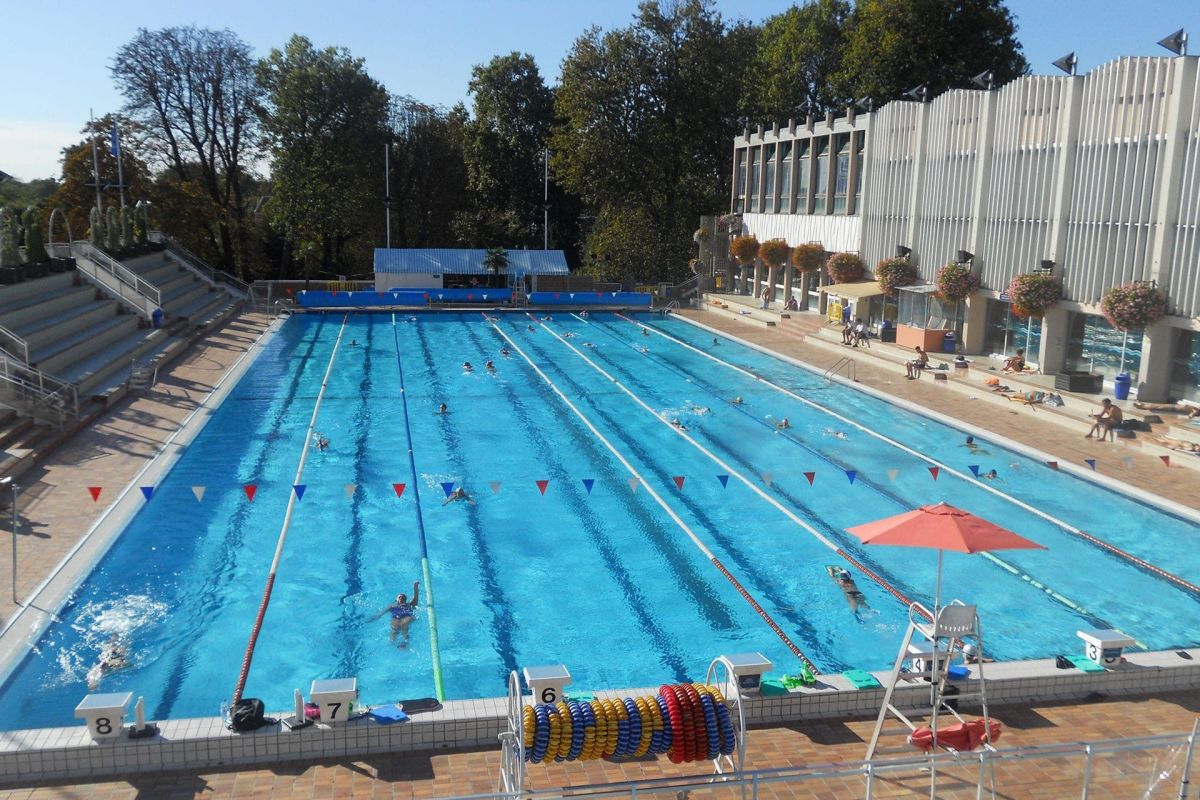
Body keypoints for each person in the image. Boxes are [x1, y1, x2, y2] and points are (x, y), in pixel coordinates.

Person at [373, 582, 420, 647]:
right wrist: (375, 617)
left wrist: (415, 587)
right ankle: (391, 644)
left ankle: (405, 641)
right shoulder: (392, 607)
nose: (401, 596)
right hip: (396, 619)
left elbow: (415, 596)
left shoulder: (409, 604)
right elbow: (381, 613)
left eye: (403, 596)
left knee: (404, 623)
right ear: (397, 600)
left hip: (407, 617)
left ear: (406, 599)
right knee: (395, 626)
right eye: (399, 596)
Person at [1134, 399, 1200, 419]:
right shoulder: (1195, 409)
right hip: (1174, 406)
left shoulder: (1195, 411)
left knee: (1157, 406)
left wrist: (1192, 414)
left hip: (1173, 408)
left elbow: (1190, 416)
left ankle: (1142, 406)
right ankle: (1142, 405)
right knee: (1158, 406)